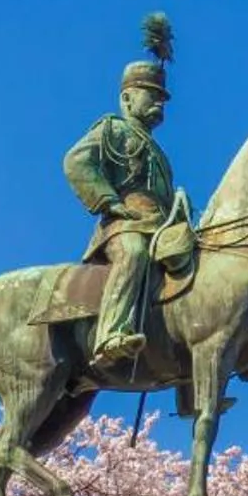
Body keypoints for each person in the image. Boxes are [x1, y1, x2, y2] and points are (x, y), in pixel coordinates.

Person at [62, 18, 180, 372]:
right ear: (127, 98)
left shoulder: (162, 155)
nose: (159, 102)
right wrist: (111, 203)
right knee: (134, 253)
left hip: (162, 227)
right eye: (151, 94)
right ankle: (110, 332)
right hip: (124, 226)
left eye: (162, 98)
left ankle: (189, 382)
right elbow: (76, 161)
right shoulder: (112, 129)